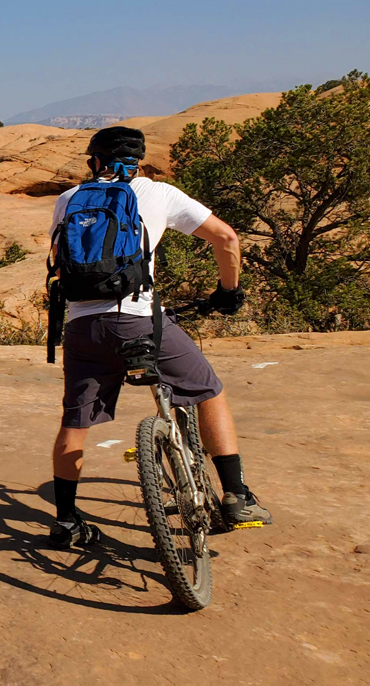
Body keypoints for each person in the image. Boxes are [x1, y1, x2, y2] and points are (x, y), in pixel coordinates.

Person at [47, 125, 273, 547]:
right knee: (209, 391)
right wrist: (229, 292)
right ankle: (237, 497)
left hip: (80, 326)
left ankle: (66, 522)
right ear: (139, 159)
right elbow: (227, 238)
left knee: (75, 423)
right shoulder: (160, 193)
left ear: (95, 160)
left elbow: (62, 262)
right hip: (135, 319)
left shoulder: (68, 200)